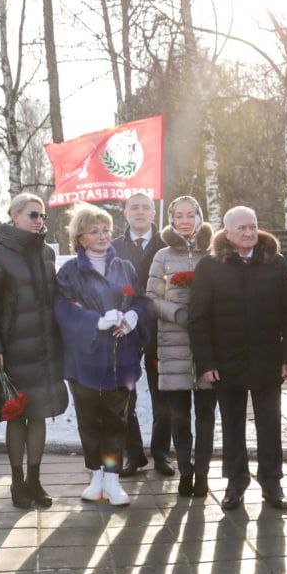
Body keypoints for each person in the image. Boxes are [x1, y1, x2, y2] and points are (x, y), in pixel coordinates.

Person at [190, 206, 287, 511]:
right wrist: (207, 362)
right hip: (226, 362)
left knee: (270, 423)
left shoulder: (274, 263)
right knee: (232, 425)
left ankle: (272, 482)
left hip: (268, 360)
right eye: (242, 229)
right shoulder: (209, 267)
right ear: (226, 232)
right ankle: (236, 483)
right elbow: (198, 319)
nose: (249, 233)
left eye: (253, 226)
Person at [55, 203, 151, 507]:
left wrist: (133, 317)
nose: (102, 235)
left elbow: (139, 301)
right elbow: (62, 309)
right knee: (88, 419)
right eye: (94, 231)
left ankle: (112, 478)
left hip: (121, 358)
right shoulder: (69, 272)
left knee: (117, 420)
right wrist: (95, 321)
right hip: (84, 359)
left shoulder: (124, 267)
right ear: (80, 238)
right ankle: (95, 475)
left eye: (106, 229)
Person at [0, 193, 66, 509]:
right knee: (17, 416)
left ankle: (35, 480)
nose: (39, 221)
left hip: (45, 348)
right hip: (13, 351)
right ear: (15, 215)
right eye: (33, 215)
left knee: (41, 414)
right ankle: (17, 482)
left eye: (42, 216)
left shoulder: (46, 253)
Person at [146, 196, 215, 498]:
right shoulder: (162, 255)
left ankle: (202, 473)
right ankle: (185, 472)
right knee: (179, 416)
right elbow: (151, 297)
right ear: (171, 219)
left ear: (200, 217)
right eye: (179, 216)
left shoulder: (214, 252)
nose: (185, 221)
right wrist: (177, 312)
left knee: (206, 416)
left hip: (208, 346)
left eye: (191, 214)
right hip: (173, 342)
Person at [112, 192, 171, 477]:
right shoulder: (112, 248)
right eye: (133, 207)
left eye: (145, 207)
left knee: (164, 397)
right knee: (125, 395)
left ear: (153, 213)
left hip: (161, 330)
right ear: (125, 213)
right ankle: (132, 454)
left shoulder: (167, 246)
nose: (139, 212)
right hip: (126, 332)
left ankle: (161, 453)